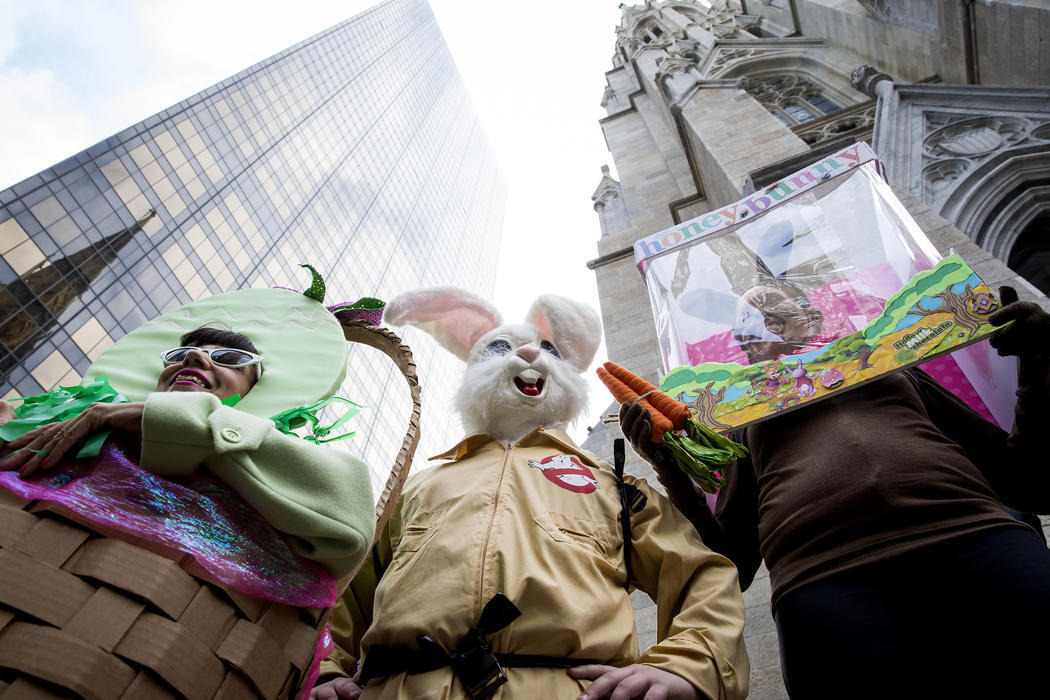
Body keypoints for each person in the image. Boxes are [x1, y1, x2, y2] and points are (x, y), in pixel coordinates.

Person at [312, 288, 749, 700]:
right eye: (498, 348)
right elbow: (340, 595)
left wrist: (687, 665)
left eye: (551, 350)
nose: (528, 353)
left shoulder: (614, 488)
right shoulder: (415, 488)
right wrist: (325, 670)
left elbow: (702, 574)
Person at [620, 286, 1050, 698]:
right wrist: (668, 467)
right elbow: (733, 562)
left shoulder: (894, 364)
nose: (757, 325)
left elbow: (1025, 481)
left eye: (770, 310)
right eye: (747, 324)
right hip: (827, 579)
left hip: (974, 537)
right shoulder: (741, 414)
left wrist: (1038, 360)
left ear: (812, 318)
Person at [1, 325, 375, 578]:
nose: (194, 360)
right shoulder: (70, 419)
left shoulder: (268, 461)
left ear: (251, 395)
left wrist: (170, 421)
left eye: (229, 360)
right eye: (183, 354)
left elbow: (349, 532)